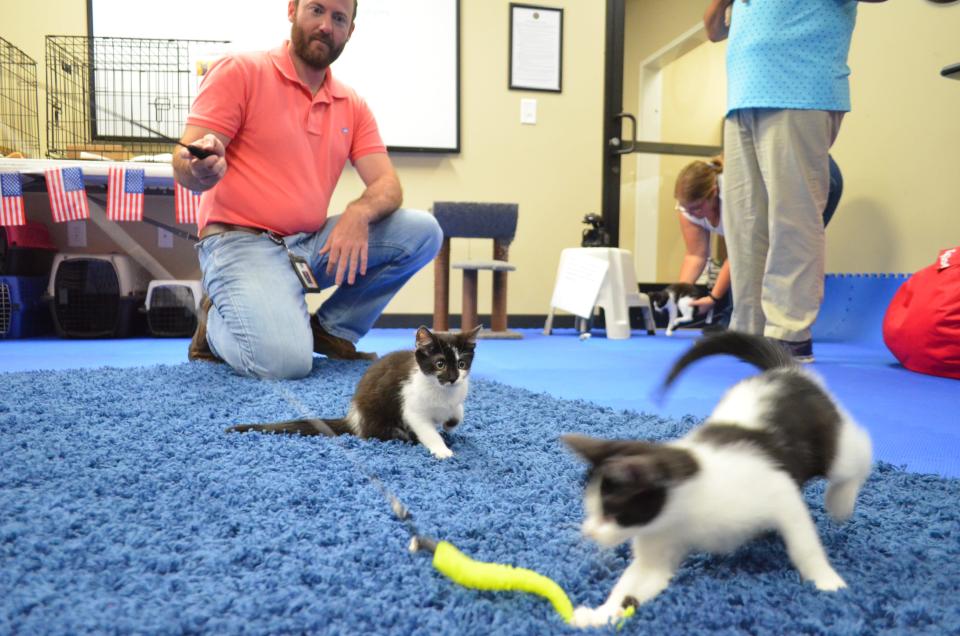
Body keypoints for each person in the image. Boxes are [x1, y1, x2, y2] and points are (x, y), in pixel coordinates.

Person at [172, 0, 442, 380]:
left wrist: (358, 213)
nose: (326, 25)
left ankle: (332, 330)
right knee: (285, 364)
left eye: (338, 18)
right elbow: (186, 160)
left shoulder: (353, 104)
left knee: (423, 231)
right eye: (316, 10)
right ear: (292, 10)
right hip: (240, 244)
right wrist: (198, 167)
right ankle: (215, 324)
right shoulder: (241, 71)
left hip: (308, 245)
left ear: (350, 31)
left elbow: (387, 184)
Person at [703, 0, 886, 361]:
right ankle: (749, 330)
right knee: (744, 224)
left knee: (793, 217)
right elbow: (713, 29)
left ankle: (789, 333)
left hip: (799, 86)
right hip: (743, 95)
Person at [673, 154, 843, 328]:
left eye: (696, 208)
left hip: (816, 173)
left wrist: (713, 298)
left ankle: (785, 326)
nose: (691, 213)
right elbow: (695, 256)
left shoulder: (737, 196)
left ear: (713, 193)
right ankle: (739, 320)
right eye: (686, 209)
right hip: (781, 177)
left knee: (788, 251)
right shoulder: (688, 206)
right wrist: (677, 295)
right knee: (760, 255)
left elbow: (740, 255)